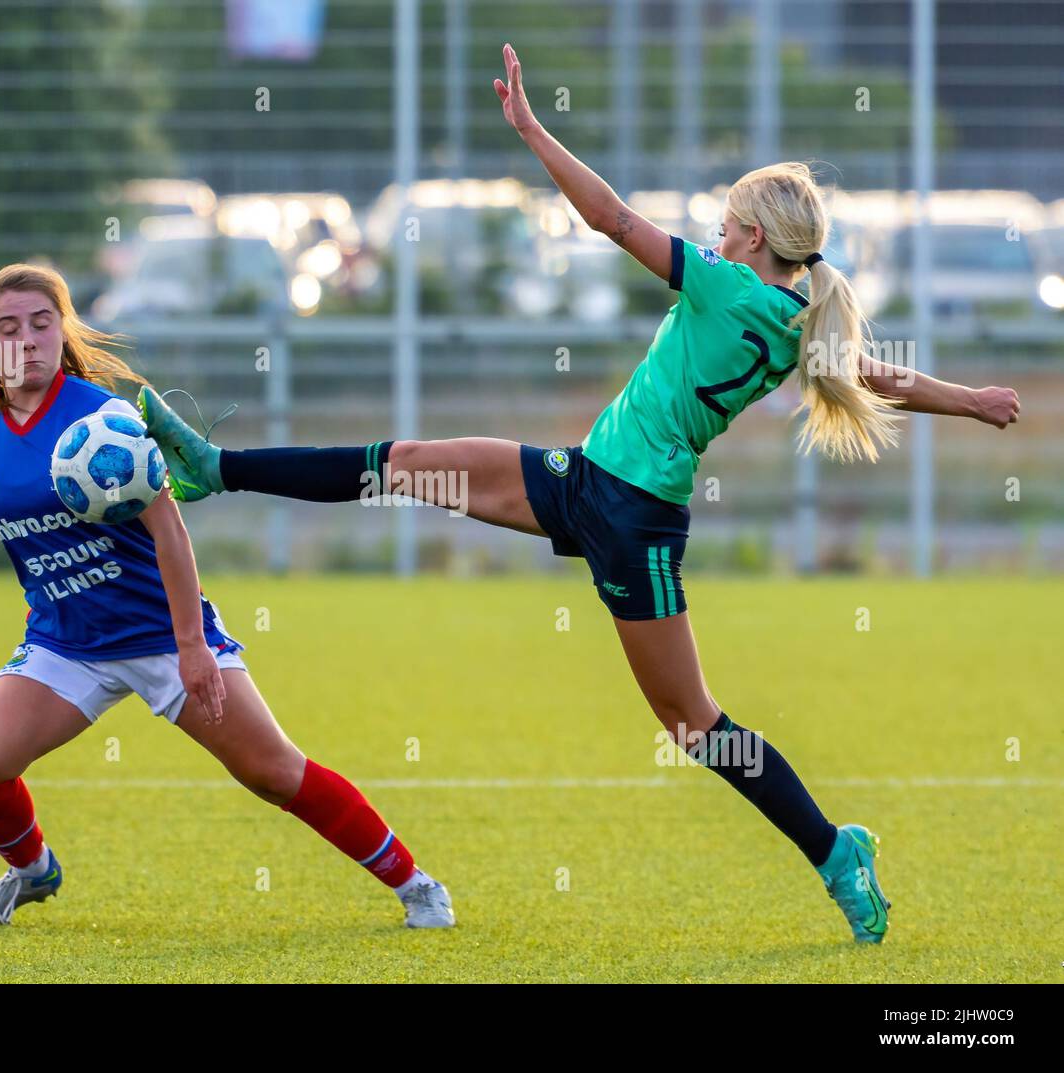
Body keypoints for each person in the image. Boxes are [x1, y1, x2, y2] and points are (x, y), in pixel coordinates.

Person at [137, 44, 1022, 944]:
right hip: (585, 483)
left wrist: (531, 130)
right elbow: (877, 375)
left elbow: (608, 216)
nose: (717, 235)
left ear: (753, 239)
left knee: (694, 722)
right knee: (402, 462)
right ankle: (217, 468)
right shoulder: (797, 325)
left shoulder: (724, 287)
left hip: (634, 521)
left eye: (726, 223)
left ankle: (836, 851)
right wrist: (972, 400)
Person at [0, 263, 454, 929]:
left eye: (42, 323)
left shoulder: (105, 417)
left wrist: (191, 645)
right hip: (65, 644)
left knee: (272, 771)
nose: (28, 339)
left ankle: (416, 885)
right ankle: (31, 871)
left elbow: (169, 527)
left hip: (162, 633)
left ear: (62, 331)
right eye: (8, 328)